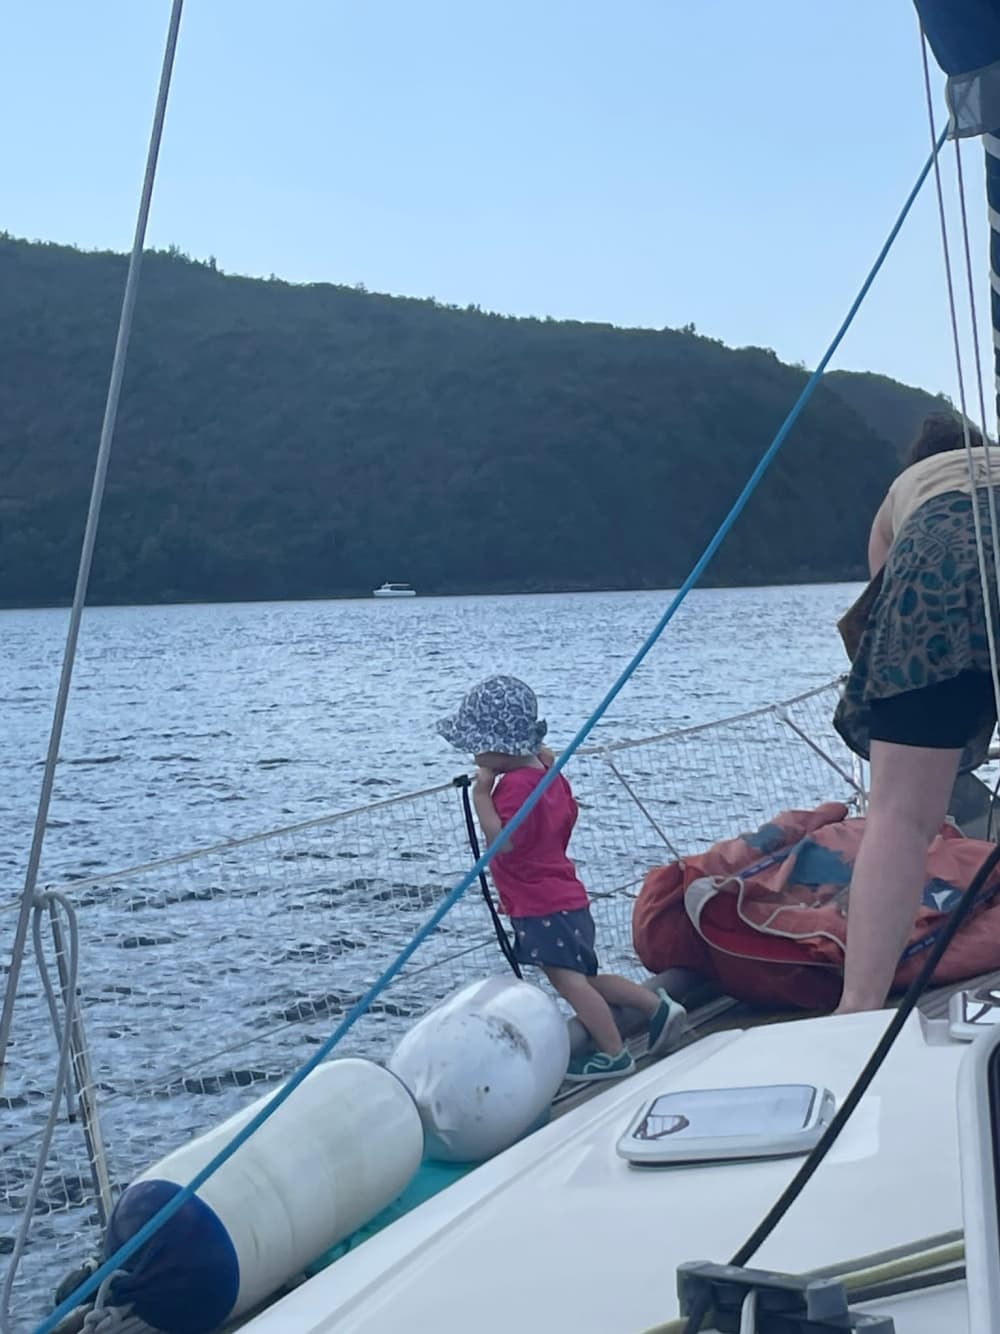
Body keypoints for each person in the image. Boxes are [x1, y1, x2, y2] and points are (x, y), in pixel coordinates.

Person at [437, 674, 686, 1080]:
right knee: (586, 977)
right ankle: (657, 1006)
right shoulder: (548, 777)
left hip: (542, 905)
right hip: (566, 896)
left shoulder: (514, 789)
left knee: (570, 985)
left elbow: (505, 844)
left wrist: (482, 796)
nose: (474, 755)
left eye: (478, 746)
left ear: (500, 747)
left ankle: (614, 1053)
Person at [834, 413, 1000, 1013]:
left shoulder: (906, 493)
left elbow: (884, 607)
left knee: (900, 819)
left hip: (935, 576)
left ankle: (858, 1006)